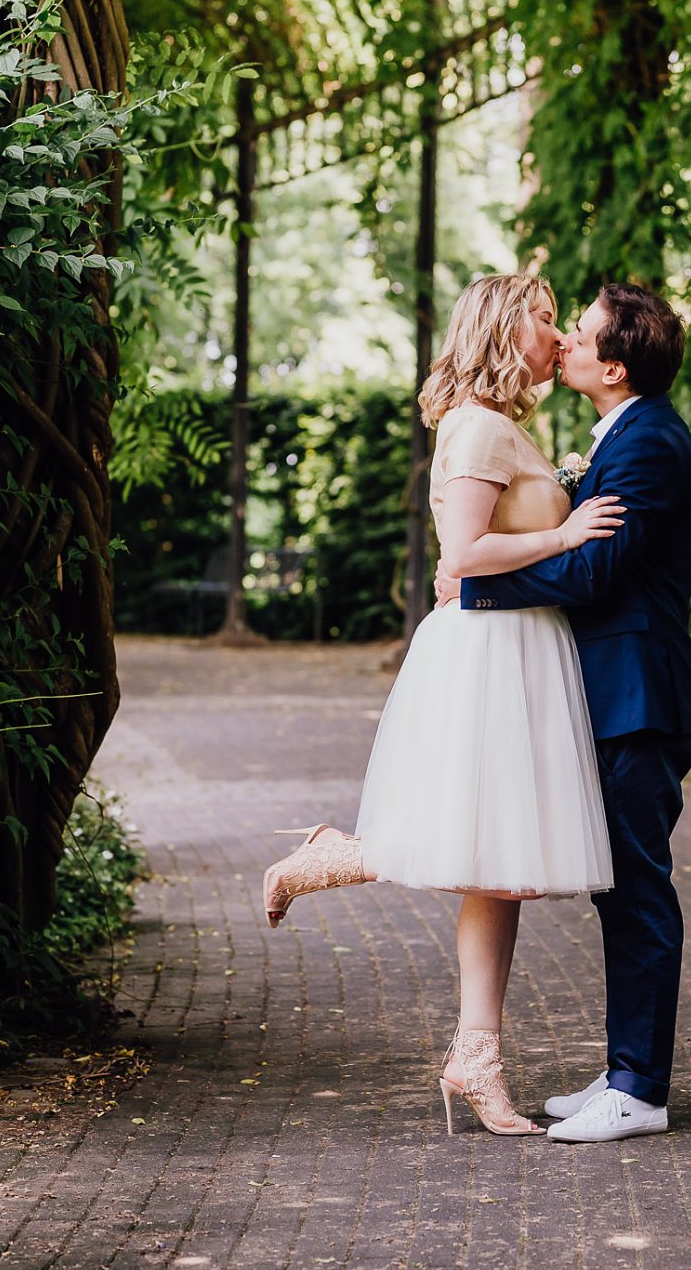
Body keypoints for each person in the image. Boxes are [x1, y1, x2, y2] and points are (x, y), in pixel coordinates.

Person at [262, 273, 620, 1137]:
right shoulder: (475, 426)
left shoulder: (510, 429)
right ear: (503, 329)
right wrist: (563, 534)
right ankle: (324, 860)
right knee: (481, 847)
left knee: (502, 863)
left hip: (526, 650)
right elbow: (461, 552)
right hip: (485, 654)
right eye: (543, 319)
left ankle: (475, 1057)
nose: (559, 333)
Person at [436, 282, 691, 1144]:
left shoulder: (650, 444)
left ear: (613, 365)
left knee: (636, 888)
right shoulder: (620, 434)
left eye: (579, 334)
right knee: (618, 886)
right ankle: (624, 1069)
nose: (565, 343)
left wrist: (475, 578)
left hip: (636, 697)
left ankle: (640, 1088)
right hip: (610, 693)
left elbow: (595, 573)